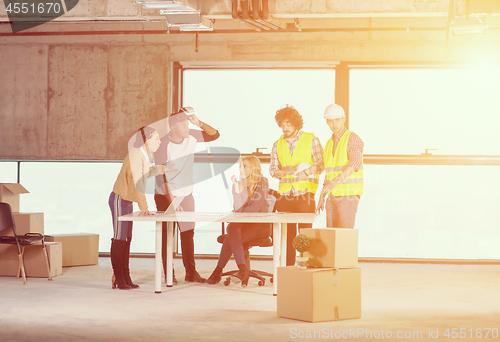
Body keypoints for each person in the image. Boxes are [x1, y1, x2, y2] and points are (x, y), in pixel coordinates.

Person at [153, 107, 220, 284]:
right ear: (173, 127)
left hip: (186, 193)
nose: (186, 126)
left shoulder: (191, 135)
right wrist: (172, 200)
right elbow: (160, 177)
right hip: (165, 194)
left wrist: (198, 122)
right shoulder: (162, 144)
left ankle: (191, 272)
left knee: (188, 233)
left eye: (187, 123)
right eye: (182, 124)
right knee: (168, 234)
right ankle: (169, 273)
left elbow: (214, 135)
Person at [109, 126, 168, 290]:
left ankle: (125, 276)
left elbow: (145, 174)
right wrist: (144, 207)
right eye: (156, 138)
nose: (159, 141)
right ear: (147, 140)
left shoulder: (144, 155)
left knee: (127, 238)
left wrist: (163, 169)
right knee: (119, 238)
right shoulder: (136, 154)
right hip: (120, 199)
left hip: (127, 200)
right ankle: (119, 278)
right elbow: (139, 183)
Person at [269, 105, 324, 266]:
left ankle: (307, 266)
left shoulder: (311, 139)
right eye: (282, 125)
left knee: (305, 234)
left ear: (296, 123)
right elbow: (273, 171)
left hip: (305, 194)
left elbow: (321, 165)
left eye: (288, 124)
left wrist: (306, 172)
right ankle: (288, 269)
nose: (284, 128)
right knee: (287, 235)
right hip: (285, 195)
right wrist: (285, 170)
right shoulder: (277, 144)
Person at [206, 156, 270, 287]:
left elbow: (253, 209)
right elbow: (238, 208)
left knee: (230, 237)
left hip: (260, 226)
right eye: (240, 166)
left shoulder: (262, 181)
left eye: (244, 166)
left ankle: (218, 271)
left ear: (253, 168)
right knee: (232, 228)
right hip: (245, 225)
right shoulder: (239, 183)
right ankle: (243, 270)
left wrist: (240, 211)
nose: (241, 169)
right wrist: (235, 188)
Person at [316, 104, 364, 228]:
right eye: (330, 121)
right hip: (332, 196)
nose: (334, 124)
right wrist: (322, 194)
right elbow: (329, 172)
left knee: (344, 237)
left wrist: (335, 182)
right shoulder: (328, 144)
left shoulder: (351, 138)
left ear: (344, 119)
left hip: (347, 196)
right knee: (332, 237)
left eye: (337, 120)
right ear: (327, 122)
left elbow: (355, 163)